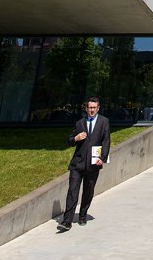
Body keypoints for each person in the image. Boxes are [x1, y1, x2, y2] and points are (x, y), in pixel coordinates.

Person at [57, 97, 111, 232]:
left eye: (94, 108)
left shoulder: (104, 122)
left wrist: (103, 158)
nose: (92, 110)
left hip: (93, 164)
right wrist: (76, 138)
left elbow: (106, 140)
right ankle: (67, 221)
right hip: (77, 164)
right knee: (72, 192)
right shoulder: (80, 123)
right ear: (86, 108)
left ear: (98, 108)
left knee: (88, 191)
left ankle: (82, 215)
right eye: (90, 108)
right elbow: (69, 141)